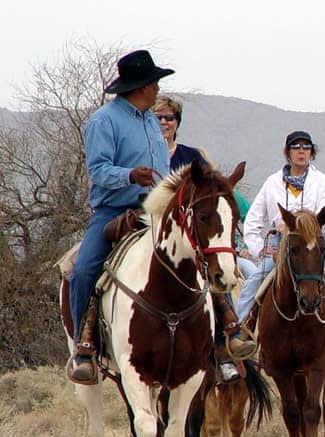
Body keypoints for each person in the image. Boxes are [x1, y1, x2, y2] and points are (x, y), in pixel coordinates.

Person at [69, 50, 174, 384]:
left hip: (155, 209)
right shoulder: (104, 120)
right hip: (115, 210)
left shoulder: (150, 120)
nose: (158, 88)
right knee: (84, 270)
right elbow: (98, 170)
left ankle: (222, 338)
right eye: (154, 82)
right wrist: (130, 176)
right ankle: (83, 348)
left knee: (201, 257)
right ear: (140, 86)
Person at [153, 96, 257, 381]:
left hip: (189, 234)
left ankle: (227, 345)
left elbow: (215, 195)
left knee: (217, 273)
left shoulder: (192, 156)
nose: (164, 122)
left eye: (169, 118)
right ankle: (91, 340)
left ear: (177, 123)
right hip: (148, 225)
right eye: (158, 117)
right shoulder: (142, 151)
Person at [235, 130, 325, 329]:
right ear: (288, 152)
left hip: (316, 241)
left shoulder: (321, 180)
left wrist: (301, 223)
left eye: (306, 147)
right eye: (296, 147)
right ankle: (236, 332)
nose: (301, 151)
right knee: (254, 282)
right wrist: (260, 248)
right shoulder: (272, 183)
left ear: (312, 153)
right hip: (282, 243)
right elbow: (253, 221)